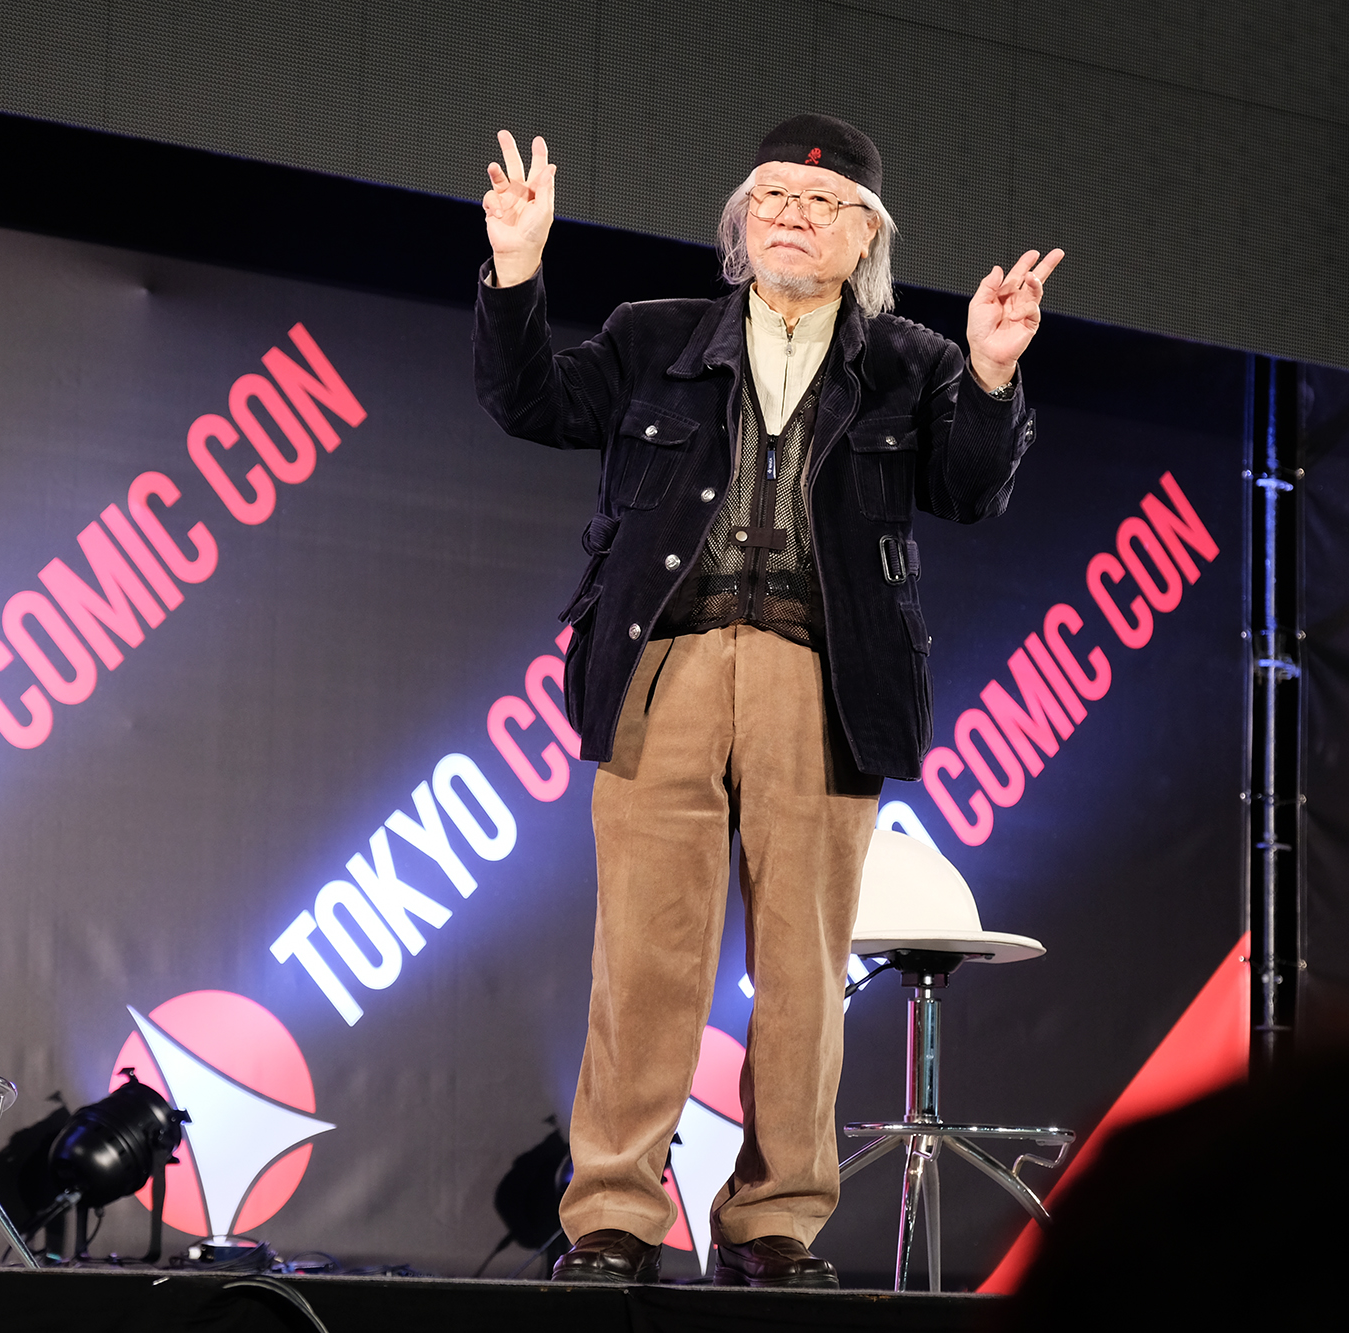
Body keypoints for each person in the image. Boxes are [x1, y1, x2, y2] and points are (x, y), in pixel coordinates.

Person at [473, 113, 1063, 1288]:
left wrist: (992, 373)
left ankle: (774, 1222)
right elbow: (528, 402)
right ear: (740, 221)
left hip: (822, 680)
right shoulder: (653, 336)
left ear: (864, 237)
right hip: (668, 665)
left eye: (820, 202)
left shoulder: (909, 361)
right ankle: (613, 1214)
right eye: (772, 197)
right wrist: (517, 268)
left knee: (802, 970)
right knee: (643, 959)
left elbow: (968, 489)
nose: (791, 216)